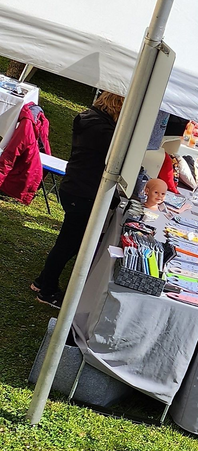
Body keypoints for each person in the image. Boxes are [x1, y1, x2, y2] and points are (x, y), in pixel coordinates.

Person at [32, 92, 123, 307]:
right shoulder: (104, 130)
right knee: (68, 244)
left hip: (76, 187)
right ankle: (47, 291)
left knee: (68, 242)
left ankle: (42, 281)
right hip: (82, 192)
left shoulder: (92, 119)